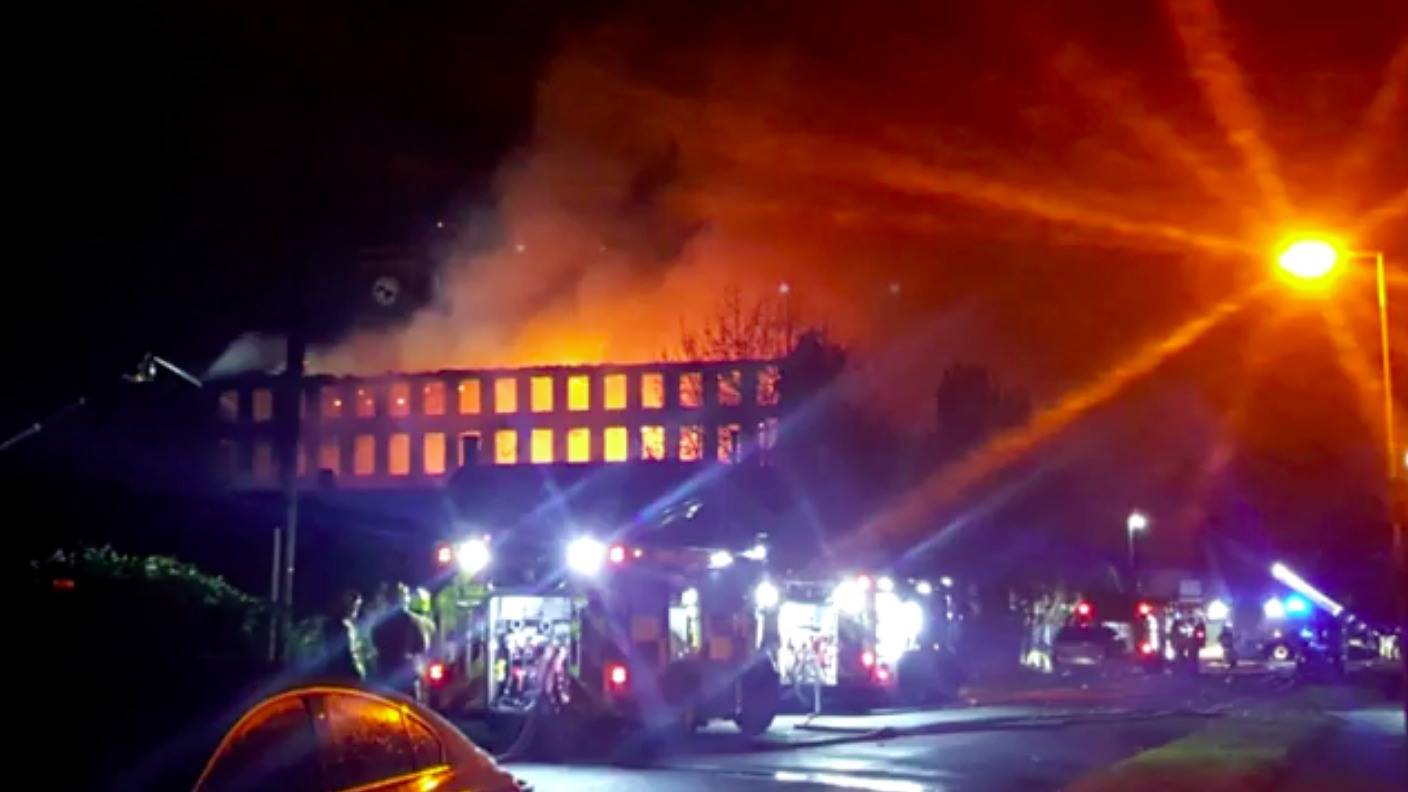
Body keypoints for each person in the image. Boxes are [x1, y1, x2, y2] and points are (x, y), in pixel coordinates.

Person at [372, 582, 431, 699]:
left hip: (385, 672)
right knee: (411, 704)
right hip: (406, 672)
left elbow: (375, 642)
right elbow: (423, 645)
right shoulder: (414, 621)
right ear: (405, 599)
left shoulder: (380, 621)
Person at [324, 589, 366, 681]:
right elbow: (345, 656)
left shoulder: (341, 625)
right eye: (354, 607)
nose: (356, 611)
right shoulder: (341, 627)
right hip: (342, 676)